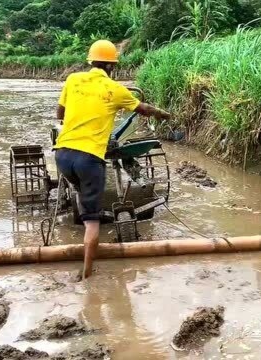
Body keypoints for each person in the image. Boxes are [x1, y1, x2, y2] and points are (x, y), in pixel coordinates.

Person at [54, 39, 171, 279]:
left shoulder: (73, 80)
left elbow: (60, 114)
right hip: (89, 158)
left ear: (91, 61)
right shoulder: (116, 90)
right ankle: (87, 271)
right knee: (92, 221)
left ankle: (81, 198)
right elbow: (144, 109)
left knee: (79, 189)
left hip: (63, 154)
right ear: (112, 67)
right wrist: (164, 115)